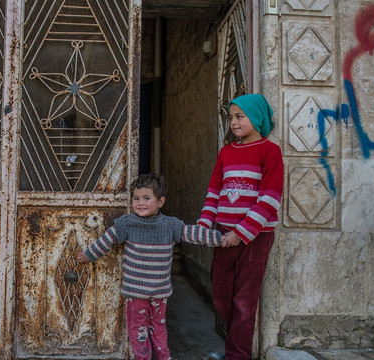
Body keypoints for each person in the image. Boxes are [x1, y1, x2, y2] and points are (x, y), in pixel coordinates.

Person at [77, 173, 225, 360]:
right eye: (136, 199)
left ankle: (164, 357)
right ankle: (143, 358)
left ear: (160, 201)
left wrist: (221, 239)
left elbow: (193, 233)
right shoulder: (127, 223)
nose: (140, 203)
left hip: (159, 292)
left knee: (159, 328)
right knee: (138, 330)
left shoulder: (170, 225)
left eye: (147, 198)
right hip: (136, 293)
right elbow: (106, 240)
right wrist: (88, 254)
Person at [197, 94, 284, 360]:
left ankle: (237, 355)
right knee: (221, 297)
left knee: (245, 302)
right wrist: (204, 224)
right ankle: (234, 345)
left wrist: (241, 234)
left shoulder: (270, 151)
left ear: (256, 118)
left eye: (239, 116)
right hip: (223, 235)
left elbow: (269, 199)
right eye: (231, 117)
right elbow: (215, 192)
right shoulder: (226, 152)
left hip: (255, 238)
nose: (233, 122)